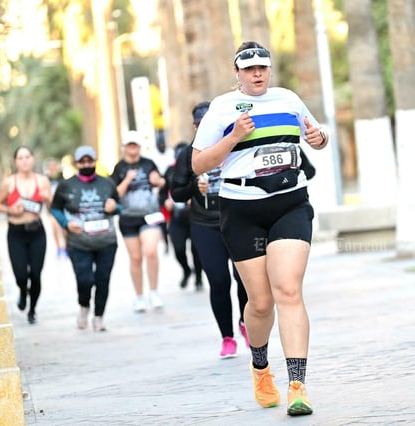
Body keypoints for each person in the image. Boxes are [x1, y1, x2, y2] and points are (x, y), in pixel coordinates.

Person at [191, 41, 328, 416]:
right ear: (236, 73)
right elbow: (199, 164)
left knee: (288, 289)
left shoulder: (288, 99)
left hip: (290, 203)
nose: (257, 74)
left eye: (262, 67)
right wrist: (232, 137)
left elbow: (316, 135)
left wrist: (319, 138)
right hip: (242, 210)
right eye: (249, 68)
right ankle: (260, 365)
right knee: (262, 302)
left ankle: (297, 386)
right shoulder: (221, 108)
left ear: (270, 69)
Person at [171, 101, 249, 359]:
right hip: (205, 224)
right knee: (218, 281)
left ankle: (246, 323)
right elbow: (176, 192)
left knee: (245, 280)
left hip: (237, 219)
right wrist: (195, 189)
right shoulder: (188, 155)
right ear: (194, 126)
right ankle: (227, 337)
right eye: (198, 123)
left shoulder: (238, 142)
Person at [51, 146, 120, 332]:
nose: (86, 164)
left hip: (106, 241)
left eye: (90, 161)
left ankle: (98, 317)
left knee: (103, 279)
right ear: (76, 164)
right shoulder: (66, 186)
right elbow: (55, 208)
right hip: (78, 242)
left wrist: (115, 207)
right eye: (82, 162)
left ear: (95, 162)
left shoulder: (107, 184)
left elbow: (120, 206)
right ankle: (84, 306)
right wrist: (66, 223)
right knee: (85, 280)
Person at [0, 146, 52, 324]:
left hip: (37, 232)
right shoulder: (9, 183)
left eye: (27, 157)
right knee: (21, 275)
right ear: (15, 162)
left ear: (33, 159)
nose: (25, 160)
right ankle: (22, 291)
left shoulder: (42, 181)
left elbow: (51, 208)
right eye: (20, 158)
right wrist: (10, 209)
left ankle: (32, 310)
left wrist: (47, 197)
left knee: (35, 274)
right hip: (16, 233)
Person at [110, 130, 166, 312]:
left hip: (150, 215)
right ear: (124, 147)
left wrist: (158, 181)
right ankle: (139, 296)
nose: (133, 148)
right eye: (129, 145)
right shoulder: (119, 168)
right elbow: (114, 194)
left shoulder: (148, 164)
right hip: (128, 218)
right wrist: (127, 180)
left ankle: (155, 291)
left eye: (135, 145)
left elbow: (162, 182)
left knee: (150, 252)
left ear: (139, 146)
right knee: (135, 258)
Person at [159, 142, 204, 290]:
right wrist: (165, 202)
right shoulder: (170, 171)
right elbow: (163, 191)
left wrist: (195, 198)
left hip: (194, 215)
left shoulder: (199, 166)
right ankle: (186, 270)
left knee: (197, 249)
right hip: (177, 217)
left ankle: (198, 278)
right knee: (178, 249)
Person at [44, 158, 69, 259]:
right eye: (51, 166)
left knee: (64, 229)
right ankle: (58, 248)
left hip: (62, 207)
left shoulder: (61, 178)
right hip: (52, 208)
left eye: (54, 166)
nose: (53, 168)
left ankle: (66, 247)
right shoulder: (46, 179)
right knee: (55, 228)